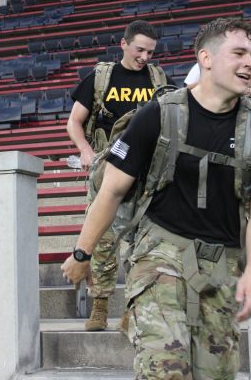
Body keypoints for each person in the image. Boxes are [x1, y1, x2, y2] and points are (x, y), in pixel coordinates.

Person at [61, 17, 251, 379]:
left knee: (216, 374)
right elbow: (112, 189)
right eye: (238, 53)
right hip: (160, 254)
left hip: (221, 263)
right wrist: (82, 253)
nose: (249, 63)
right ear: (206, 58)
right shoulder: (159, 115)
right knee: (166, 371)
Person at [66, 19, 169, 332]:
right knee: (102, 242)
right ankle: (99, 306)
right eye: (139, 49)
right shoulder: (101, 77)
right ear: (123, 44)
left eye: (150, 51)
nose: (145, 57)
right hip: (108, 171)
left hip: (147, 175)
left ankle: (132, 309)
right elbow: (74, 122)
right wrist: (84, 150)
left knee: (144, 244)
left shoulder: (158, 77)